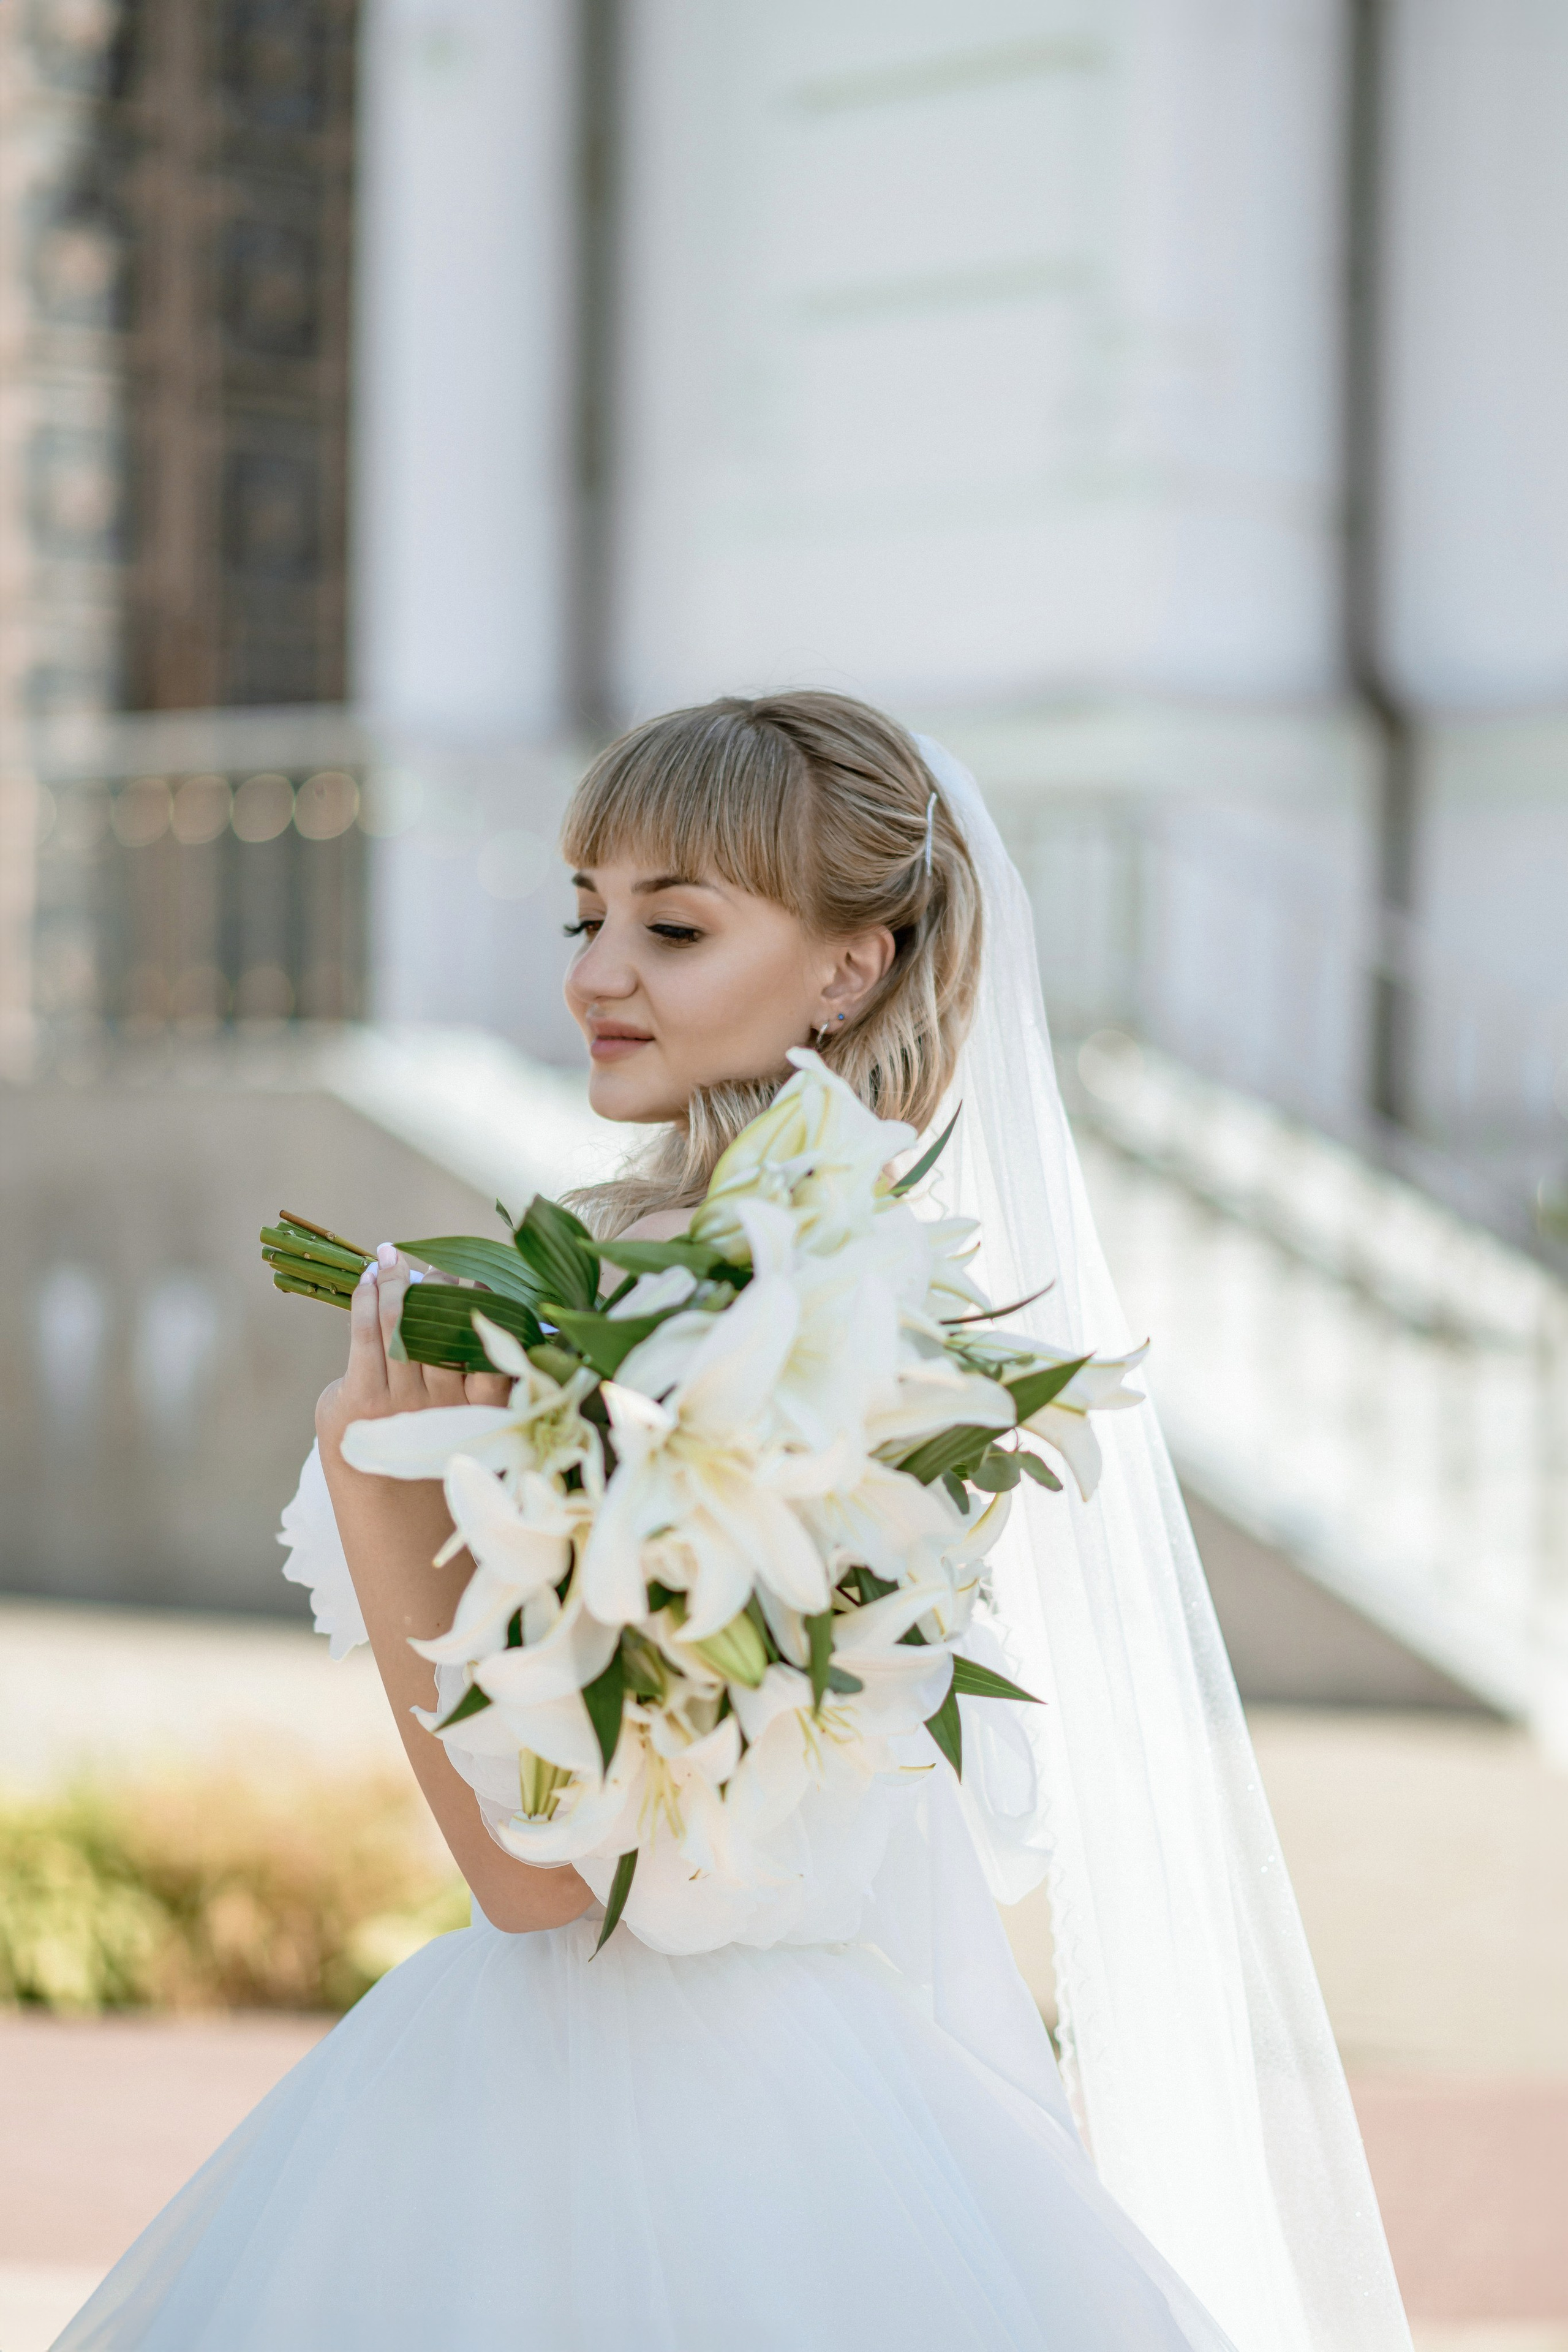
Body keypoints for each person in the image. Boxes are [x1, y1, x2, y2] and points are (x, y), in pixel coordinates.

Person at [53, 693, 1412, 2351]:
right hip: (626, 2082)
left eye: (674, 926)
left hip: (701, 2116)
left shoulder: (823, 1335)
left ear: (855, 966)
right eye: (587, 912)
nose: (594, 974)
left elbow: (558, 1885)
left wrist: (372, 1473)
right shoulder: (685, 1284)